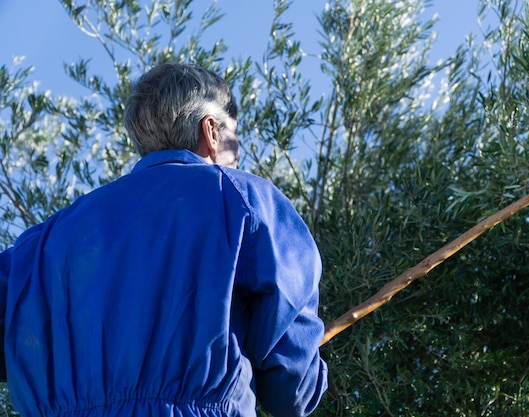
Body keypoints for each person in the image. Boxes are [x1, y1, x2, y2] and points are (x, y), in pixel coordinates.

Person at [0, 63, 328, 416]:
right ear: (211, 131)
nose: (238, 157)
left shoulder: (40, 244)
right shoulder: (248, 201)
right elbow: (292, 388)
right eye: (235, 139)